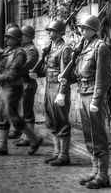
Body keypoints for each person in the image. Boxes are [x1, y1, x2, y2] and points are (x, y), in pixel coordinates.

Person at [59, 15, 111, 189]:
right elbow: (81, 73)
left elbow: (102, 77)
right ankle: (95, 170)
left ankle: (103, 175)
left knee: (98, 135)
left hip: (92, 97)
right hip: (83, 94)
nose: (82, 31)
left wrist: (97, 99)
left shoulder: (101, 47)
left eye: (85, 28)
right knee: (88, 135)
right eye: (81, 28)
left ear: (94, 29)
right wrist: (68, 79)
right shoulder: (84, 46)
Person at [0, 26, 43, 156]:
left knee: (14, 116)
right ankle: (2, 146)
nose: (6, 39)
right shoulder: (8, 50)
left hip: (13, 88)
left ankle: (34, 139)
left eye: (9, 37)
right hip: (4, 87)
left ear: (17, 39)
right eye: (6, 37)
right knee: (2, 117)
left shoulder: (20, 53)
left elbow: (12, 73)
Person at [30, 19, 72, 166]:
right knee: (51, 121)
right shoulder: (50, 47)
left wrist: (62, 93)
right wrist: (38, 72)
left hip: (58, 89)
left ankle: (64, 155)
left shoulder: (65, 49)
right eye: (48, 30)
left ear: (60, 33)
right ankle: (56, 153)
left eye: (52, 30)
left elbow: (64, 74)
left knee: (61, 122)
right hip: (49, 86)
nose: (49, 32)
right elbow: (48, 68)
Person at [15, 25, 39, 147]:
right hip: (22, 83)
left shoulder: (31, 50)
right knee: (23, 111)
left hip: (28, 84)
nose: (20, 38)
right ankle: (26, 135)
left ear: (28, 37)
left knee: (27, 111)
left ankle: (29, 137)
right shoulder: (23, 49)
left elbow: (26, 66)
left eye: (22, 35)